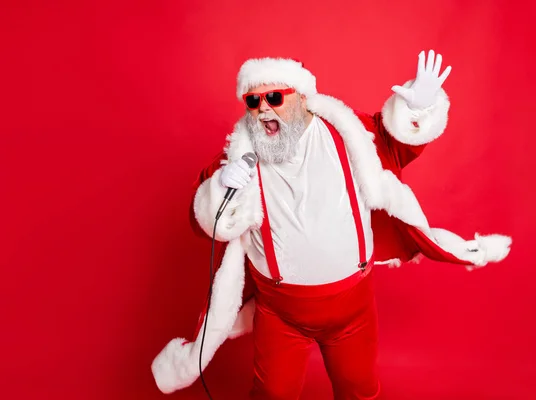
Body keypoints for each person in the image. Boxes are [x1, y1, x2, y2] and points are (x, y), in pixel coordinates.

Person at [151, 50, 512, 399]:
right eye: (253, 100)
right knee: (272, 394)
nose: (262, 109)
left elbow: (395, 146)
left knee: (359, 390)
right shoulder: (238, 160)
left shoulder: (347, 133)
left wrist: (417, 109)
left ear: (303, 98)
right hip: (280, 313)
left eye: (274, 97)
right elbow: (201, 225)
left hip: (351, 310)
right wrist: (220, 189)